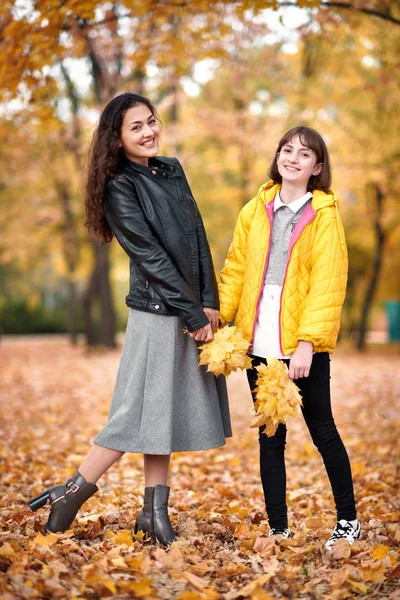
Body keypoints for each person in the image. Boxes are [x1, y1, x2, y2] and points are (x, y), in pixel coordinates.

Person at [28, 93, 231, 545]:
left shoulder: (172, 169)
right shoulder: (119, 185)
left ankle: (153, 513)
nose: (148, 132)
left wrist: (209, 300)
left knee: (160, 414)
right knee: (135, 413)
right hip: (157, 312)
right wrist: (192, 310)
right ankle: (72, 491)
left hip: (189, 307)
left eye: (151, 121)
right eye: (135, 127)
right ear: (117, 140)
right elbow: (151, 257)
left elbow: (197, 236)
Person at [218, 126, 360, 550]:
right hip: (259, 338)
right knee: (270, 438)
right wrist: (219, 321)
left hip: (300, 341)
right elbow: (236, 270)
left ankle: (348, 521)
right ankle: (278, 528)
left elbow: (327, 284)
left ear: (317, 167)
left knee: (323, 430)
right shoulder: (254, 209)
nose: (292, 158)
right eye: (286, 150)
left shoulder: (325, 215)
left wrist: (307, 344)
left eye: (304, 154)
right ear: (277, 157)